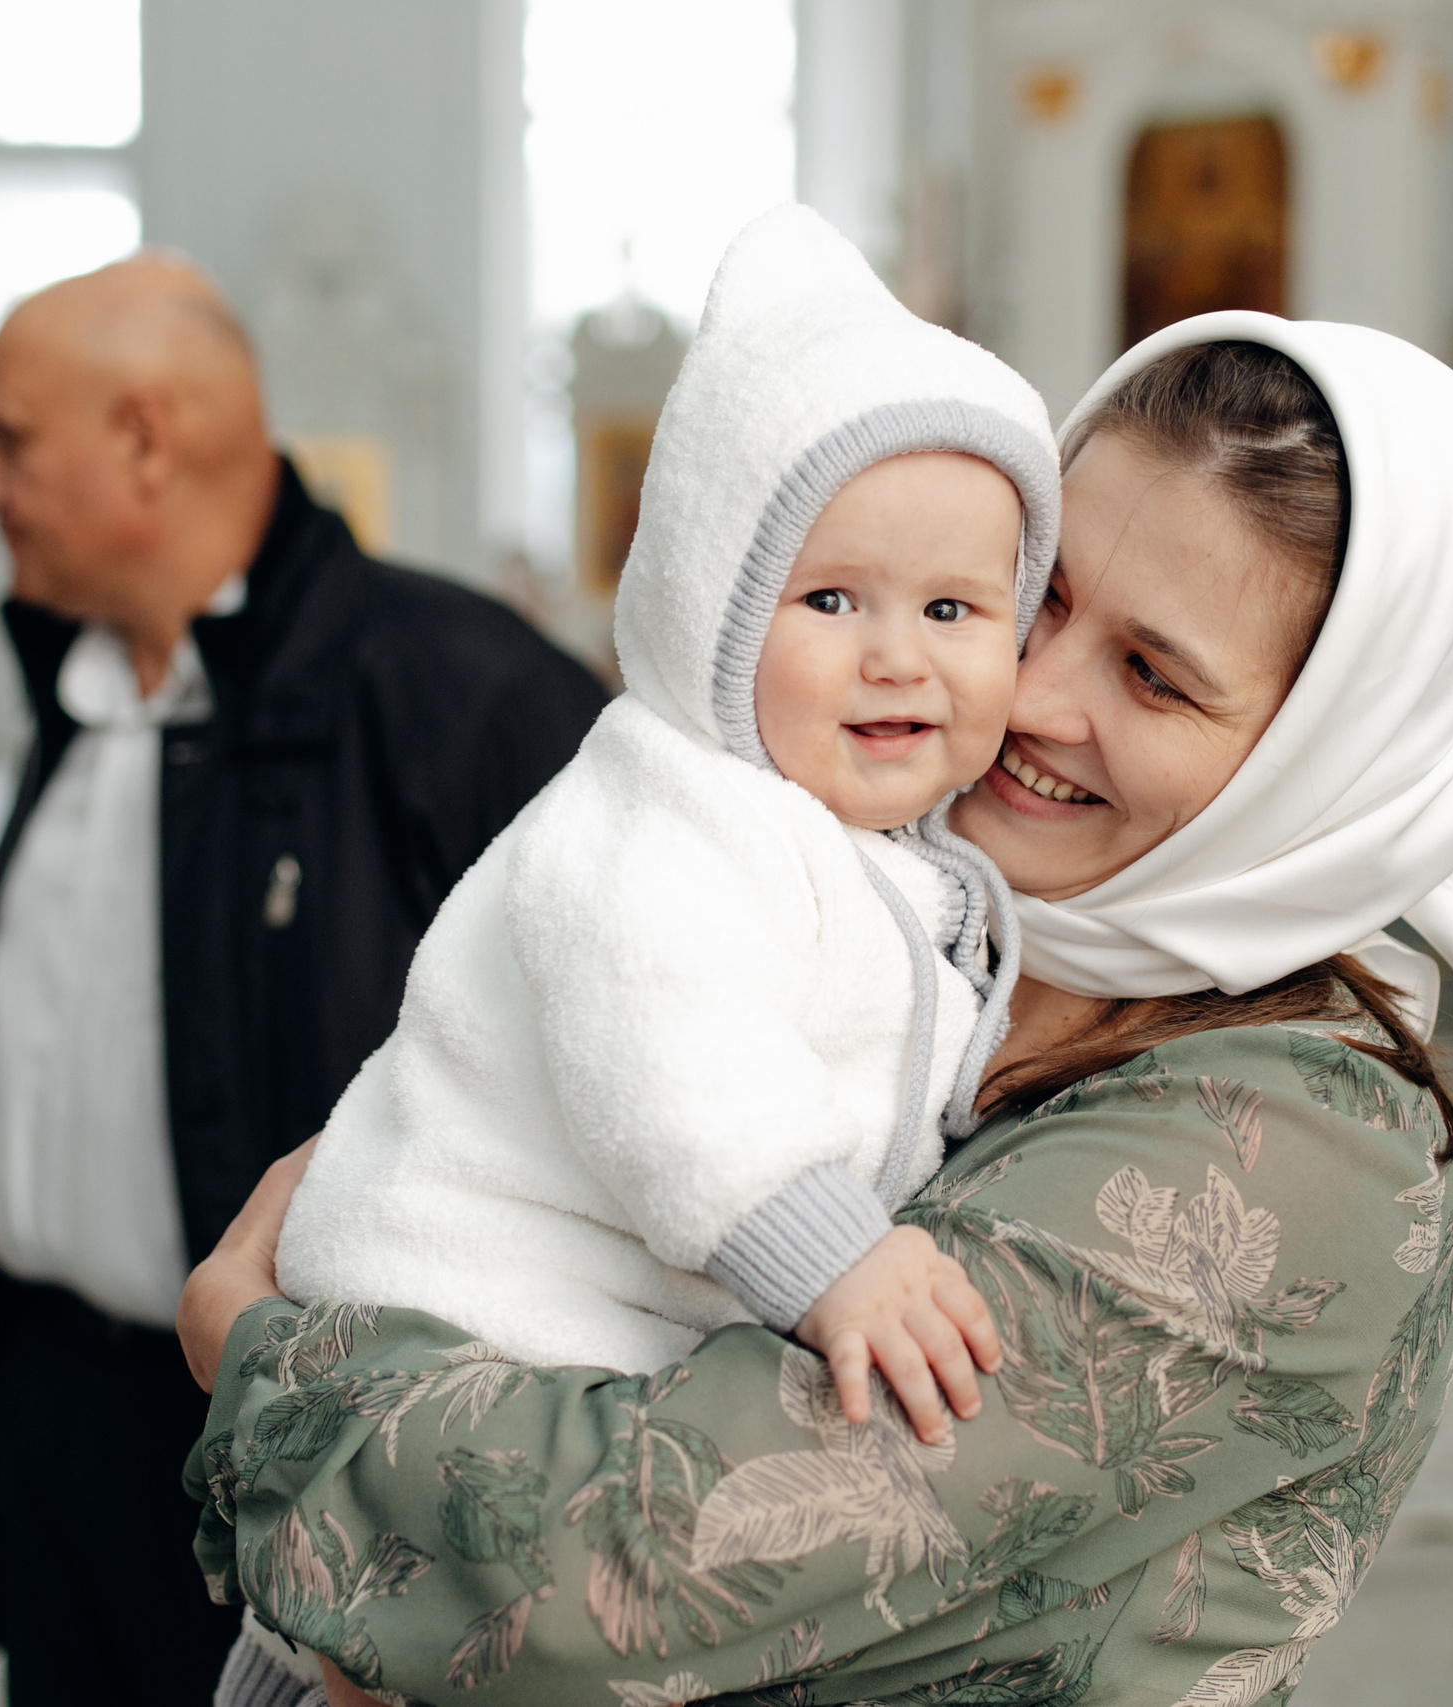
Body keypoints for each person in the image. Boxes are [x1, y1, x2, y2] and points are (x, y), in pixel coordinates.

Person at [181, 315, 1453, 1707]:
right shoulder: (894, 886)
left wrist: (258, 1354)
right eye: (1040, 598)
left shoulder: (1284, 1141)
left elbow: (627, 1567)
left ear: (1336, 767)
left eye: (1154, 674)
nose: (1030, 693)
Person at [234, 206, 1058, 1698]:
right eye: (829, 601)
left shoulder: (888, 854)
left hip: (588, 1361)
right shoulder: (662, 810)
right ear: (707, 607)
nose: (897, 653)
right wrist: (835, 1257)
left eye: (954, 608)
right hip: (462, 1312)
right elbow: (666, 1051)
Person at [0, 252, 607, 1704]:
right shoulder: (86, 677)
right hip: (49, 1411)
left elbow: (632, 1058)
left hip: (279, 1445)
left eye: (7, 439)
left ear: (143, 439)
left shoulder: (463, 692)